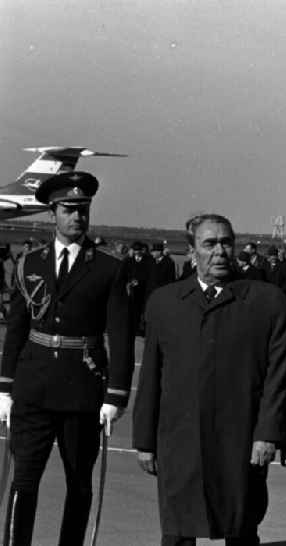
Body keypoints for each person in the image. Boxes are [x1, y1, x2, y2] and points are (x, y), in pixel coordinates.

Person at [133, 213, 286, 545]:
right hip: (180, 439)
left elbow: (278, 375)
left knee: (241, 527)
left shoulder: (266, 301)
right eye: (209, 244)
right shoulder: (165, 302)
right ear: (191, 251)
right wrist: (145, 440)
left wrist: (267, 435)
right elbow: (150, 376)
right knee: (178, 529)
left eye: (226, 243)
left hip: (241, 439)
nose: (219, 251)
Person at [0, 171, 135, 545]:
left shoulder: (109, 265)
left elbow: (121, 336)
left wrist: (115, 395)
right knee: (23, 481)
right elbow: (16, 330)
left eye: (83, 210)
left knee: (79, 484)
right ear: (52, 214)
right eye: (69, 210)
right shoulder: (30, 262)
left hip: (82, 391)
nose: (78, 217)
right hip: (32, 389)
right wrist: (5, 387)